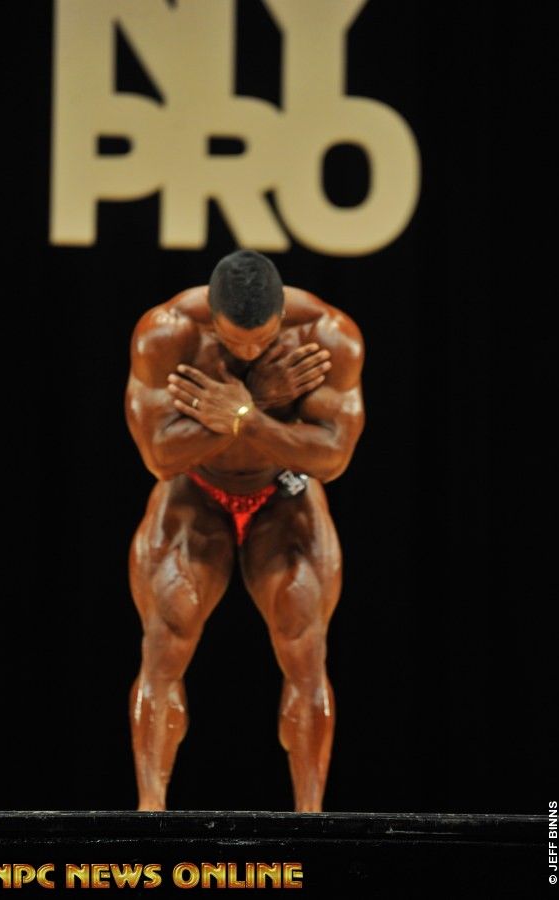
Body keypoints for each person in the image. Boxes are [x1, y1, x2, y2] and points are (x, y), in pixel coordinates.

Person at [125, 250, 365, 812]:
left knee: (305, 652)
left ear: (283, 314)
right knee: (165, 643)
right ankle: (149, 817)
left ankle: (311, 826)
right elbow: (160, 457)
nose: (251, 352)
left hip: (284, 492)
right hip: (195, 491)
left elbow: (332, 459)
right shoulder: (167, 333)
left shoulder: (328, 335)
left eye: (263, 341)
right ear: (213, 317)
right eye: (237, 343)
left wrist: (243, 415)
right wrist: (260, 399)